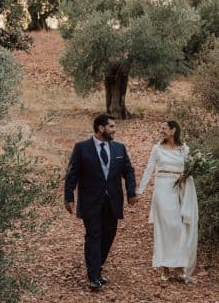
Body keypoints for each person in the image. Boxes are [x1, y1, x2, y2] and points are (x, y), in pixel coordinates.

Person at [64, 113, 137, 291]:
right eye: (111, 126)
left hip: (113, 200)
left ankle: (97, 268)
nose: (114, 130)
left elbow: (128, 171)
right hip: (90, 200)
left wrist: (131, 192)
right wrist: (68, 197)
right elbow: (72, 174)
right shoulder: (81, 148)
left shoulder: (120, 148)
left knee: (109, 235)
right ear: (101, 128)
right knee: (93, 235)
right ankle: (93, 276)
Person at [137, 119, 199, 282]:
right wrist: (140, 190)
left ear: (173, 130)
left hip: (179, 190)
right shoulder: (157, 149)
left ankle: (179, 266)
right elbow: (149, 169)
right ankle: (164, 267)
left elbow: (189, 169)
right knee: (164, 228)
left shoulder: (184, 149)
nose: (161, 131)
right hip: (162, 190)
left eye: (164, 128)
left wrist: (185, 175)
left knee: (178, 228)